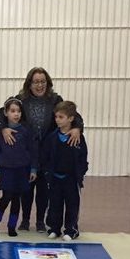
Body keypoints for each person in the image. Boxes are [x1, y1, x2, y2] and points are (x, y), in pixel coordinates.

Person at [0, 67, 83, 232]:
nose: (39, 85)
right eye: (35, 82)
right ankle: (25, 220)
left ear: (48, 83)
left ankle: (40, 221)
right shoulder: (21, 99)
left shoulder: (55, 100)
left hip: (47, 152)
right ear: (29, 83)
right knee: (26, 188)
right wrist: (3, 128)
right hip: (27, 152)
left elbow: (73, 114)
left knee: (43, 189)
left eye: (42, 82)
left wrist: (77, 127)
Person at [0, 97, 38, 237]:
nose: (16, 114)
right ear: (6, 113)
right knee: (6, 197)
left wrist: (33, 169)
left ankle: (12, 226)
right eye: (12, 111)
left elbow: (32, 150)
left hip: (22, 170)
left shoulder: (26, 131)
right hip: (6, 170)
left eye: (18, 111)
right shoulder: (0, 133)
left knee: (17, 199)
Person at [43, 101, 88, 241]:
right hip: (55, 178)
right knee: (54, 204)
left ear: (71, 118)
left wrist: (80, 173)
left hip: (71, 178)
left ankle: (71, 230)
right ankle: (54, 228)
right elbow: (45, 156)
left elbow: (83, 157)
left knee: (72, 205)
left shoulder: (78, 138)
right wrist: (47, 173)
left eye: (61, 117)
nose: (57, 120)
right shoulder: (51, 138)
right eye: (56, 117)